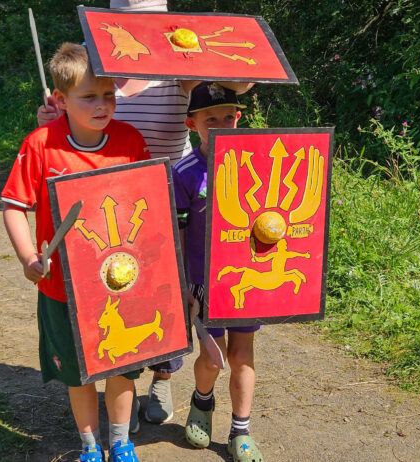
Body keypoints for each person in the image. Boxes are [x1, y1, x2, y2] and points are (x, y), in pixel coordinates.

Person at [36, 0, 254, 428]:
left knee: (163, 295)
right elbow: (74, 110)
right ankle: (125, 390)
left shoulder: (176, 60)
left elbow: (240, 82)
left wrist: (210, 47)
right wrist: (52, 115)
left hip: (173, 194)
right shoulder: (93, 55)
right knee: (120, 292)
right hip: (109, 201)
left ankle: (161, 379)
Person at [2, 42, 148, 462]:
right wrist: (29, 257)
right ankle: (89, 446)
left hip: (122, 284)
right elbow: (14, 207)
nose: (102, 105)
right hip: (62, 286)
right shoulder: (40, 144)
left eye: (108, 95)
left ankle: (121, 442)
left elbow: (149, 207)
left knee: (121, 366)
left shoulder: (130, 141)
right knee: (78, 371)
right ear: (61, 100)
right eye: (89, 97)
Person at [172, 82, 263, 462]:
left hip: (244, 279)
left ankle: (240, 430)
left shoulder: (256, 167)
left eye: (229, 116)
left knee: (242, 355)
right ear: (193, 123)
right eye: (212, 118)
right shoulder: (185, 172)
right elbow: (177, 234)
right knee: (212, 357)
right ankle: (202, 400)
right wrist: (183, 286)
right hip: (203, 282)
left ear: (239, 117)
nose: (223, 123)